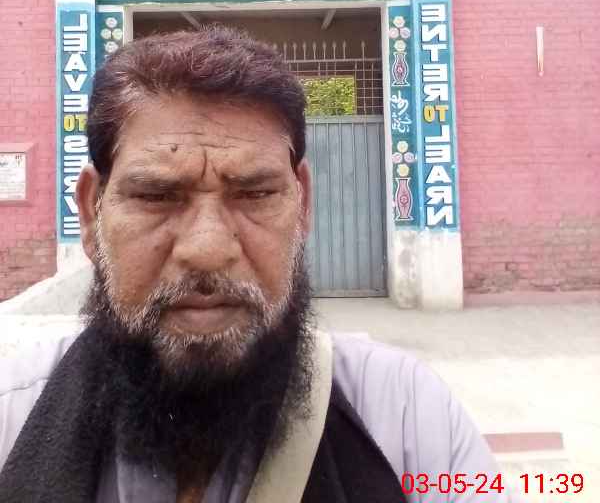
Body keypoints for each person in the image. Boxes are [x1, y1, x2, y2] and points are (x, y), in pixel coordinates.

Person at [0, 26, 515, 502]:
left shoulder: (407, 421)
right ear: (91, 212)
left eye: (255, 194)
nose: (207, 249)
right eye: (156, 196)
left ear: (302, 204)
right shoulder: (12, 413)